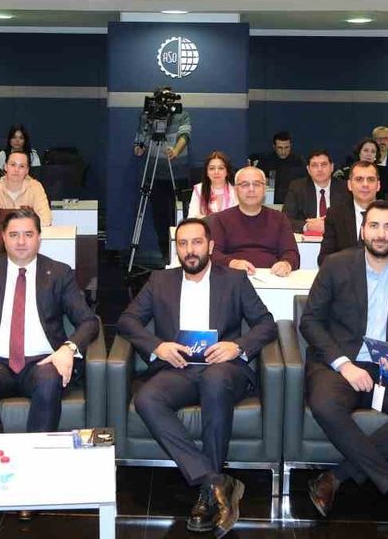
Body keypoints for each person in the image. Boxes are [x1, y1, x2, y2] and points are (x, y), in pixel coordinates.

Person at [117, 218, 277, 537]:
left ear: (210, 246)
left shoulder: (234, 280)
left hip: (224, 368)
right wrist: (158, 346)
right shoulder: (160, 280)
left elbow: (266, 323)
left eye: (197, 242)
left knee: (214, 381)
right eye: (183, 244)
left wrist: (237, 346)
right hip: (180, 368)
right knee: (147, 398)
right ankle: (214, 481)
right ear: (176, 249)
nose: (190, 250)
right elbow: (127, 320)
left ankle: (207, 495)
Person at [299, 201, 388, 538]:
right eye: (374, 226)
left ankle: (335, 477)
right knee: (324, 404)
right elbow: (311, 322)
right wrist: (343, 364)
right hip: (341, 364)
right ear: (363, 230)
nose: (381, 234)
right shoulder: (336, 264)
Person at [0, 207, 99, 524]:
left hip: (43, 360)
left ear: (39, 238)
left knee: (49, 378)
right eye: (14, 234)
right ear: (3, 237)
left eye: (28, 234)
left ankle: (31, 481)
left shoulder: (59, 272)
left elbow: (88, 321)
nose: (21, 241)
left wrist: (68, 349)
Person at [133, 90, 193, 261]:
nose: (165, 103)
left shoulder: (182, 114)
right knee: (159, 216)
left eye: (169, 99)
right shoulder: (147, 116)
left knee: (181, 214)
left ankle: (183, 253)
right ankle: (165, 252)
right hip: (155, 175)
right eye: (162, 99)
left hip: (178, 174)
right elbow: (140, 140)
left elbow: (185, 135)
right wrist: (139, 147)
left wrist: (176, 151)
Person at [208, 167, 299, 277]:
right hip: (233, 277)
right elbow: (213, 253)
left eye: (256, 184)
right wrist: (232, 263)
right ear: (236, 190)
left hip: (272, 277)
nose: (251, 189)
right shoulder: (221, 219)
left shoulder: (279, 218)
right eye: (245, 185)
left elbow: (291, 253)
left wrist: (286, 264)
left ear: (264, 189)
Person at [320, 161, 388, 264]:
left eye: (370, 179)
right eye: (359, 179)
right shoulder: (335, 215)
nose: (365, 184)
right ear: (349, 185)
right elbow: (324, 258)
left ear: (378, 185)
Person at [282, 149, 350, 234]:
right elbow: (285, 220)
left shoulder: (345, 188)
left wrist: (333, 225)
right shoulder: (298, 188)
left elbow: (353, 217)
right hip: (308, 239)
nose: (320, 169)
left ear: (332, 167)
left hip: (338, 237)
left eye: (324, 164)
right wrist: (308, 226)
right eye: (314, 165)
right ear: (308, 169)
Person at [0, 148, 53, 226]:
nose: (16, 170)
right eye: (13, 165)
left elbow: (46, 219)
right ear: (5, 167)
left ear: (27, 170)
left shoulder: (35, 187)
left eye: (22, 166)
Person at [252, 131, 303, 204]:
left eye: (286, 147)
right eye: (280, 148)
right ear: (274, 147)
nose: (283, 151)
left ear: (290, 146)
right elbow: (255, 178)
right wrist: (263, 180)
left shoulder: (299, 162)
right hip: (270, 201)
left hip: (294, 202)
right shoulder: (265, 160)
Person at [187, 150, 238, 218]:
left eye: (221, 168)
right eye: (212, 168)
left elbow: (238, 218)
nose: (216, 172)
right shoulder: (199, 189)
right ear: (207, 173)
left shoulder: (235, 190)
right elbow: (192, 217)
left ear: (227, 172)